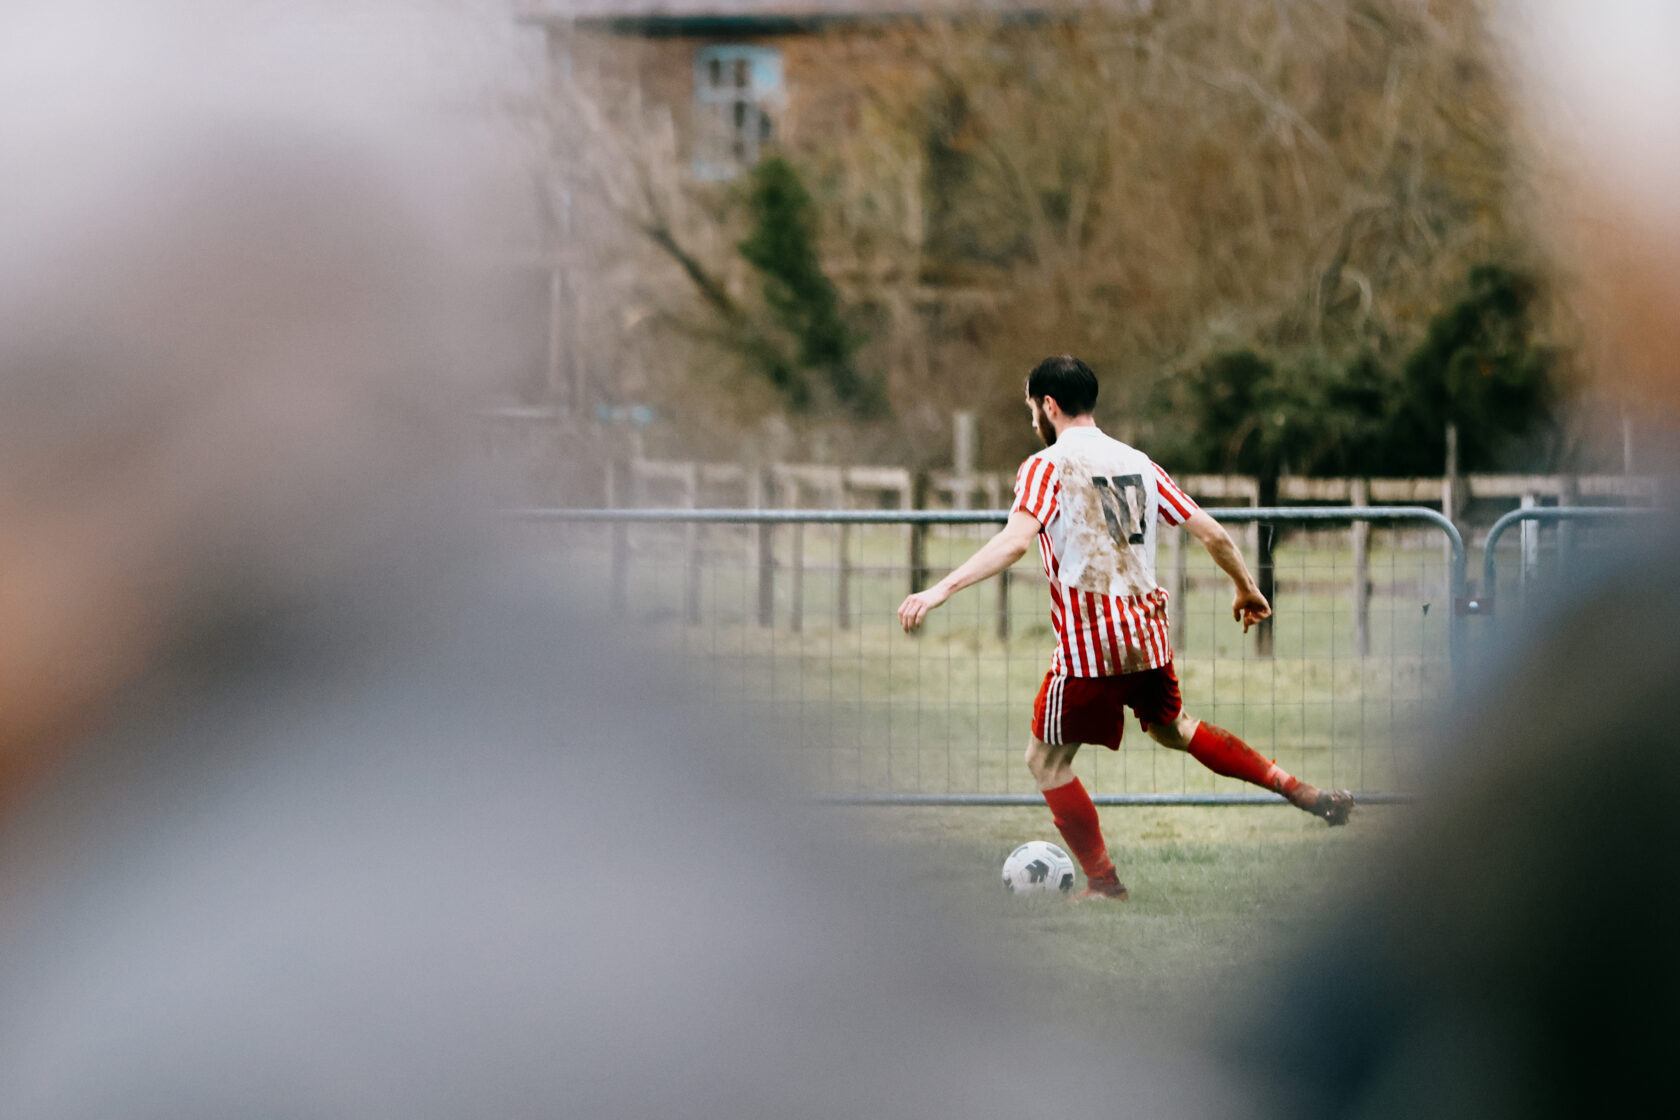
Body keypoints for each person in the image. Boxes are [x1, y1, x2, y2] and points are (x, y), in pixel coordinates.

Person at [897, 355, 1353, 901]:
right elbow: (1211, 533)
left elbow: (1016, 541)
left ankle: (1104, 884)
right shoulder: (1138, 461)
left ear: (1048, 405)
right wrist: (1247, 588)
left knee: (1043, 760)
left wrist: (937, 589)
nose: (1032, 421)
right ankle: (1296, 789)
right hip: (1148, 633)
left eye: (1031, 409)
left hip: (1092, 644)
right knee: (1174, 728)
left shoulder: (1047, 465)